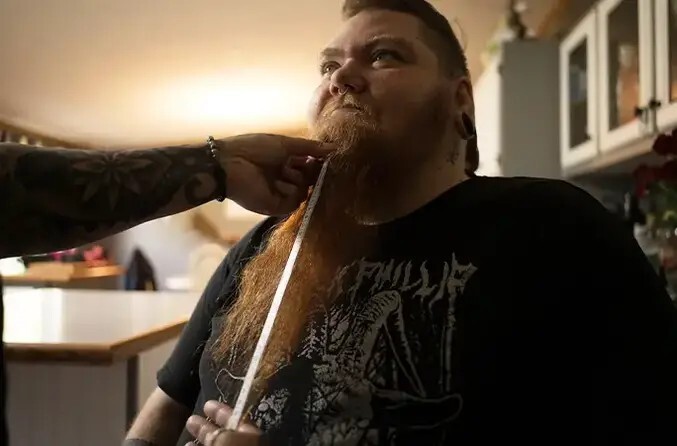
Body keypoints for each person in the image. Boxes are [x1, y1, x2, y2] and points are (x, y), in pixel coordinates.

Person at [129, 1, 677, 445]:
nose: (342, 77)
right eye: (327, 66)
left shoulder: (555, 227)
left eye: (383, 55)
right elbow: (167, 404)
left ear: (460, 100)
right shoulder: (262, 246)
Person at [0, 133, 334, 445]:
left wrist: (222, 165)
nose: (338, 88)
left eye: (380, 65)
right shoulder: (262, 246)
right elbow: (170, 397)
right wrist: (221, 165)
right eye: (329, 70)